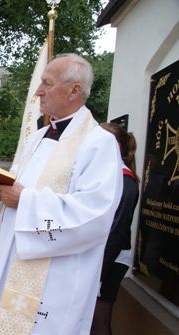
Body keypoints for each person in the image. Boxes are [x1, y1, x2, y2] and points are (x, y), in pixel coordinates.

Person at [0, 54, 123, 334]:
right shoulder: (37, 137)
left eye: (47, 83)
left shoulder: (98, 144)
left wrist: (24, 200)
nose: (38, 91)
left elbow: (94, 216)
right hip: (7, 263)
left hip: (55, 277)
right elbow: (16, 185)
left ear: (74, 90)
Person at [91, 123, 140, 335]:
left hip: (111, 258)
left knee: (99, 320)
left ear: (116, 146)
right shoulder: (106, 173)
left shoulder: (125, 180)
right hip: (98, 255)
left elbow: (117, 232)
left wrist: (96, 272)